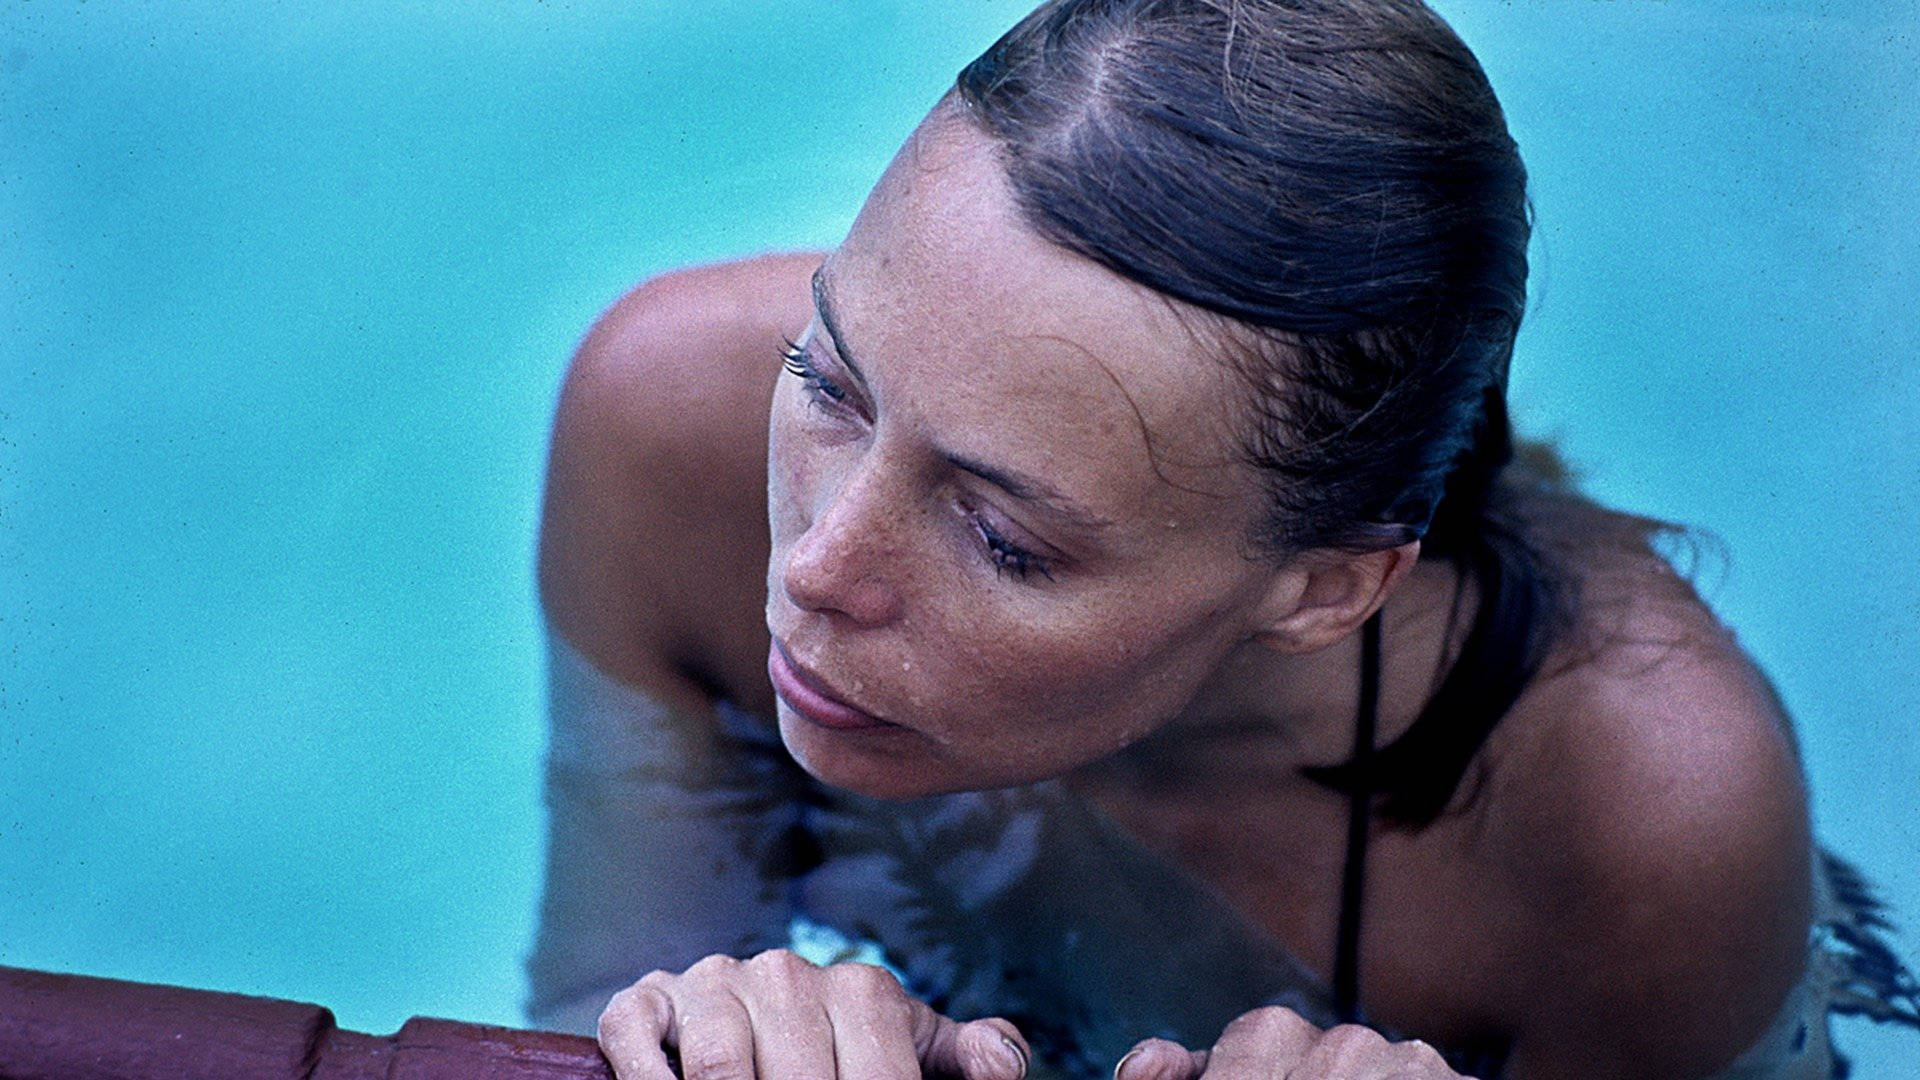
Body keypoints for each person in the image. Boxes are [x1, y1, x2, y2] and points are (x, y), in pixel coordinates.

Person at [526, 1, 1920, 1077]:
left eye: (1005, 540)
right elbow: (595, 988)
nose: (817, 569)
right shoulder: (672, 430)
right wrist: (700, 1023)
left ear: (1324, 587)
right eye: (830, 384)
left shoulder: (1634, 823)